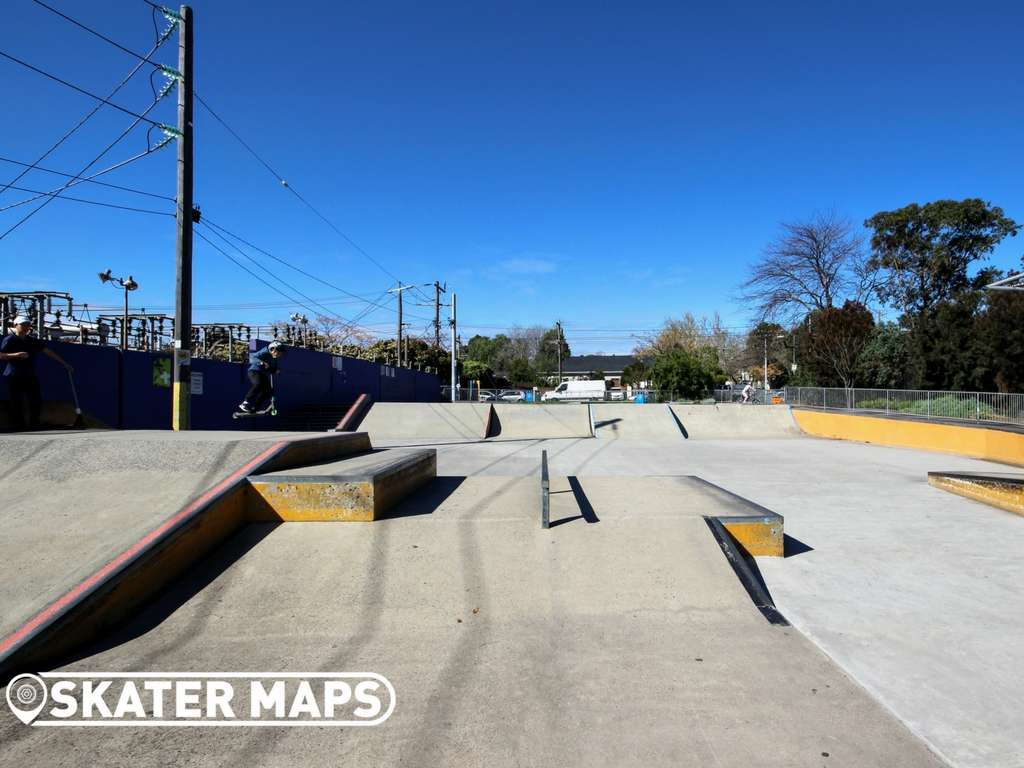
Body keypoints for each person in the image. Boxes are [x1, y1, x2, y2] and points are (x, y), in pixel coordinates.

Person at [0, 315, 73, 430]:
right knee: (16, 400)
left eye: (28, 325)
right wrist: (16, 355)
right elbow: (1, 355)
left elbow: (48, 351)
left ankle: (34, 423)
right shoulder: (10, 340)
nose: (26, 327)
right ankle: (18, 424)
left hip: (29, 374)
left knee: (35, 399)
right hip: (13, 375)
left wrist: (64, 363)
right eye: (23, 325)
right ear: (15, 325)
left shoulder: (32, 341)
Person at [239, 341, 284, 413]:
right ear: (273, 349)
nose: (279, 355)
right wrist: (261, 362)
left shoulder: (274, 358)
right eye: (278, 353)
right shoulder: (265, 351)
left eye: (280, 354)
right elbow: (252, 357)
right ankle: (245, 403)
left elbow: (269, 368)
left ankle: (254, 407)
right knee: (258, 384)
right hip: (254, 371)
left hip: (262, 374)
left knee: (268, 391)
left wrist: (275, 371)